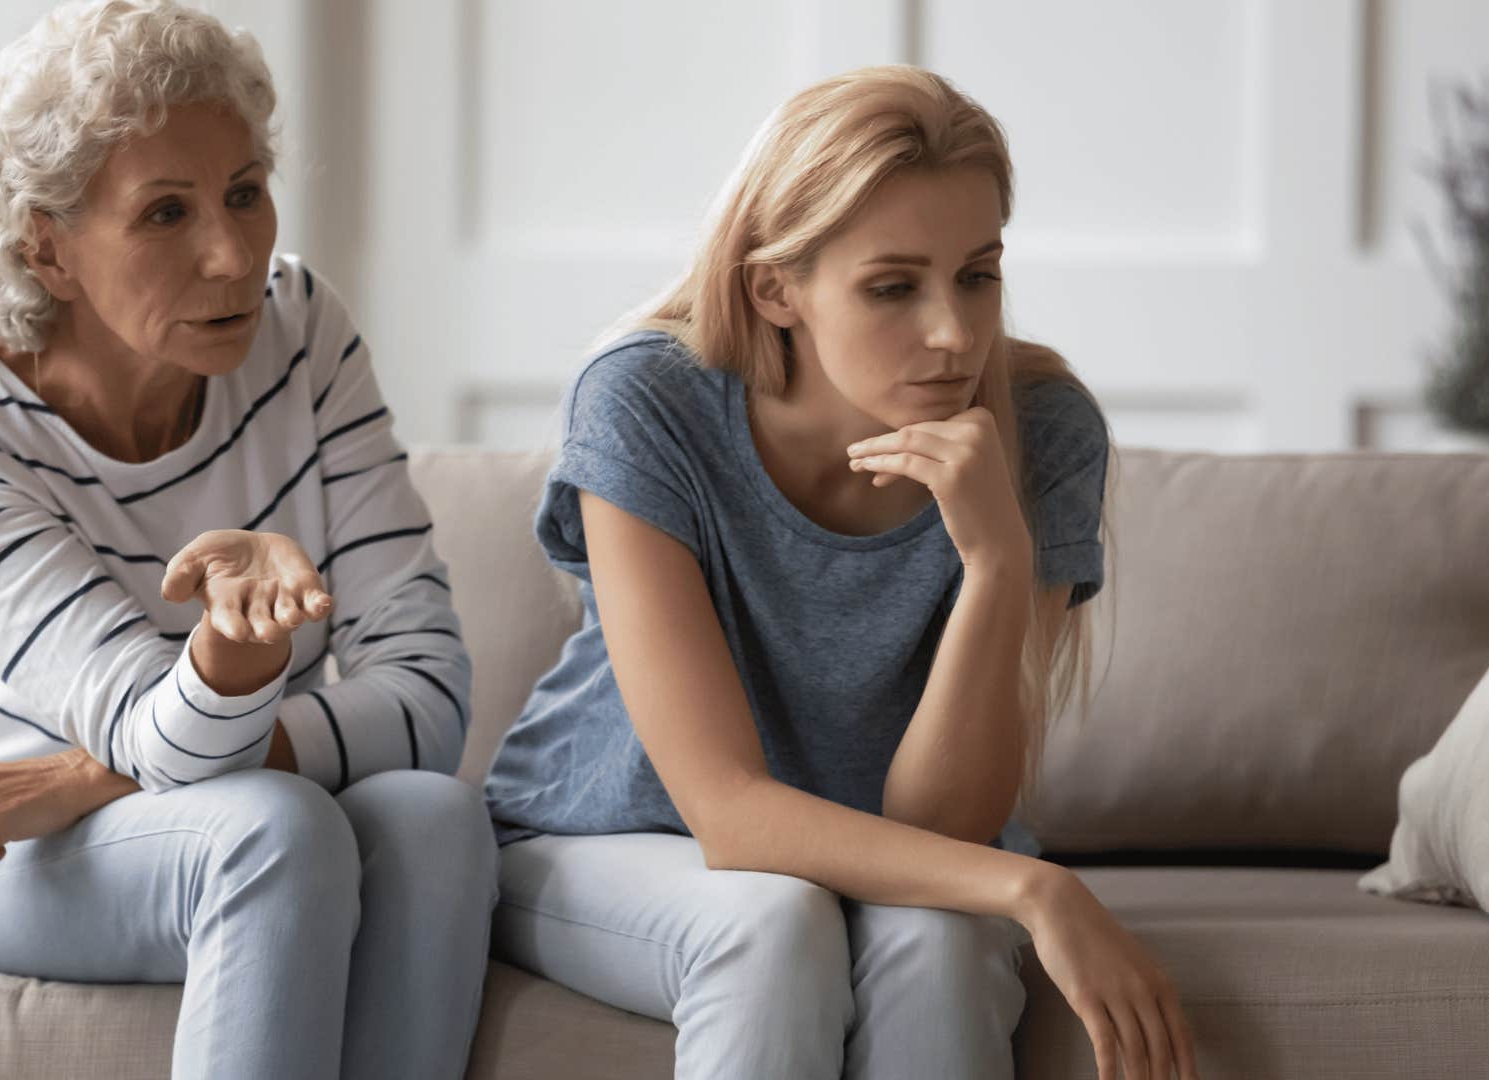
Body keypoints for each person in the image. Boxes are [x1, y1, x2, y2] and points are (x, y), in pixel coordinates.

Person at [0, 3, 494, 1077]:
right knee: (270, 831)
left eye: (243, 193)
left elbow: (434, 693)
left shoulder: (299, 328)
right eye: (165, 213)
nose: (232, 254)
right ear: (49, 247)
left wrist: (87, 778)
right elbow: (152, 727)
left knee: (433, 821)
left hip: (96, 801)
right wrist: (234, 657)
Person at [484, 66, 1200, 1080]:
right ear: (777, 286)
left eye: (978, 274)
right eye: (894, 286)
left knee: (941, 947)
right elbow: (728, 814)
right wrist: (1038, 890)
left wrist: (997, 562)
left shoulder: (1044, 432)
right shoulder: (647, 402)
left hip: (885, 854)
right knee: (772, 924)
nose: (954, 333)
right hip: (607, 837)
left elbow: (939, 831)